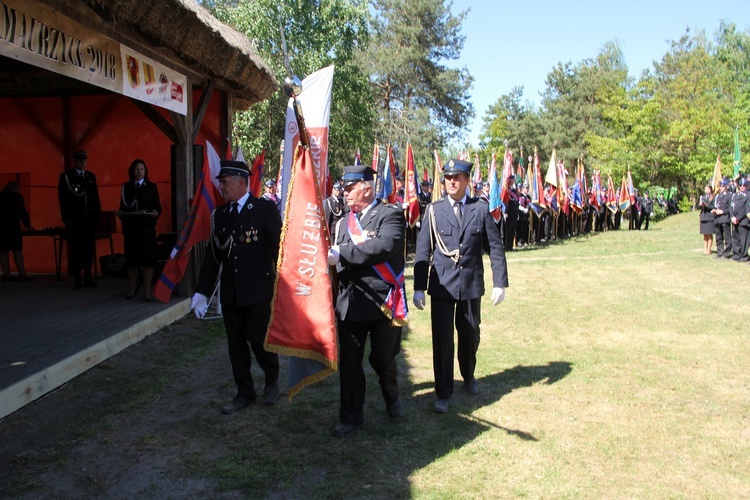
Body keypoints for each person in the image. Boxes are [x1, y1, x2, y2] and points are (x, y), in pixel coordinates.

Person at [413, 158, 509, 414]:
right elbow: (423, 251)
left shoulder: (480, 209)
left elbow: (495, 248)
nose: (451, 182)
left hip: (470, 283)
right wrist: (419, 286)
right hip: (443, 284)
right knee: (442, 340)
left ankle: (468, 375)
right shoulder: (434, 210)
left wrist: (500, 282)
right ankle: (443, 391)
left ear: (467, 181)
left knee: (470, 334)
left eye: (457, 178)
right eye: (447, 178)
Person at [191, 160, 282, 413]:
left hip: (258, 290)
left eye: (225, 181)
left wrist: (286, 284)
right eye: (221, 182)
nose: (221, 186)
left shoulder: (264, 209)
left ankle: (272, 377)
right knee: (236, 345)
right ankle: (244, 393)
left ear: (242, 183)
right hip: (231, 292)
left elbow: (279, 249)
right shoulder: (220, 215)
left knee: (258, 339)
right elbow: (213, 257)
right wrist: (202, 292)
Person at [326, 164, 407, 437]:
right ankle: (350, 416)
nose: (345, 194)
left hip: (383, 301)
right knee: (349, 363)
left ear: (367, 188)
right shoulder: (340, 224)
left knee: (384, 359)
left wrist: (343, 253)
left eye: (350, 189)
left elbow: (383, 246)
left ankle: (392, 396)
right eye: (344, 189)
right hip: (351, 301)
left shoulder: (391, 215)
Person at [118, 159, 162, 300]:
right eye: (137, 169)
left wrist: (155, 213)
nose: (139, 172)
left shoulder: (151, 187)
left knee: (148, 261)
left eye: (142, 169)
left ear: (145, 171)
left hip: (147, 229)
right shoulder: (126, 187)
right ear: (132, 171)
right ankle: (132, 288)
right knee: (132, 260)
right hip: (131, 229)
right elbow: (123, 207)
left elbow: (157, 207)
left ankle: (148, 290)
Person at [58, 149, 101, 289]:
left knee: (88, 248)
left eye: (84, 160)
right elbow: (63, 200)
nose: (83, 162)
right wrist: (67, 220)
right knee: (76, 248)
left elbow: (95, 197)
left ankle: (88, 275)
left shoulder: (90, 176)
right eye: (80, 160)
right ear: (74, 161)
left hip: (89, 218)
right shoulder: (67, 177)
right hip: (75, 219)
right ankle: (77, 275)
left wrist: (97, 217)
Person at [0, 181, 34, 282]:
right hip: (14, 227)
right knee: (17, 251)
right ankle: (22, 274)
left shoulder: (0, 196)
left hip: (1, 227)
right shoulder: (18, 197)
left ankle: (7, 275)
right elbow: (23, 213)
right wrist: (28, 226)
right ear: (14, 188)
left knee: (3, 251)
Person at [730, 178, 750, 262]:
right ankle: (736, 254)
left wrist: (737, 218)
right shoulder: (735, 195)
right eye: (741, 185)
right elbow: (731, 207)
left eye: (744, 185)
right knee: (735, 238)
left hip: (743, 221)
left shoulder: (748, 195)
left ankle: (744, 255)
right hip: (734, 220)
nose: (742, 187)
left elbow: (745, 209)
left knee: (744, 240)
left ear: (748, 186)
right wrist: (732, 217)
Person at [712, 179, 732, 259]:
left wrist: (722, 211)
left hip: (725, 218)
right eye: (720, 186)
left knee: (727, 237)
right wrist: (714, 210)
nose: (721, 187)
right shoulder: (718, 196)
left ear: (727, 186)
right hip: (717, 219)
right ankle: (720, 252)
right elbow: (715, 205)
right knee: (718, 236)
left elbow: (731, 208)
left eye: (723, 186)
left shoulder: (729, 195)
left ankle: (727, 253)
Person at [699, 185, 716, 255]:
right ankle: (705, 248)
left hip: (710, 217)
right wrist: (700, 204)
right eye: (705, 189)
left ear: (711, 189)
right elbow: (698, 206)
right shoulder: (702, 197)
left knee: (709, 234)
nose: (706, 191)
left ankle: (709, 249)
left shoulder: (713, 197)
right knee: (705, 234)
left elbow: (714, 206)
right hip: (703, 217)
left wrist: (706, 205)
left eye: (708, 189)